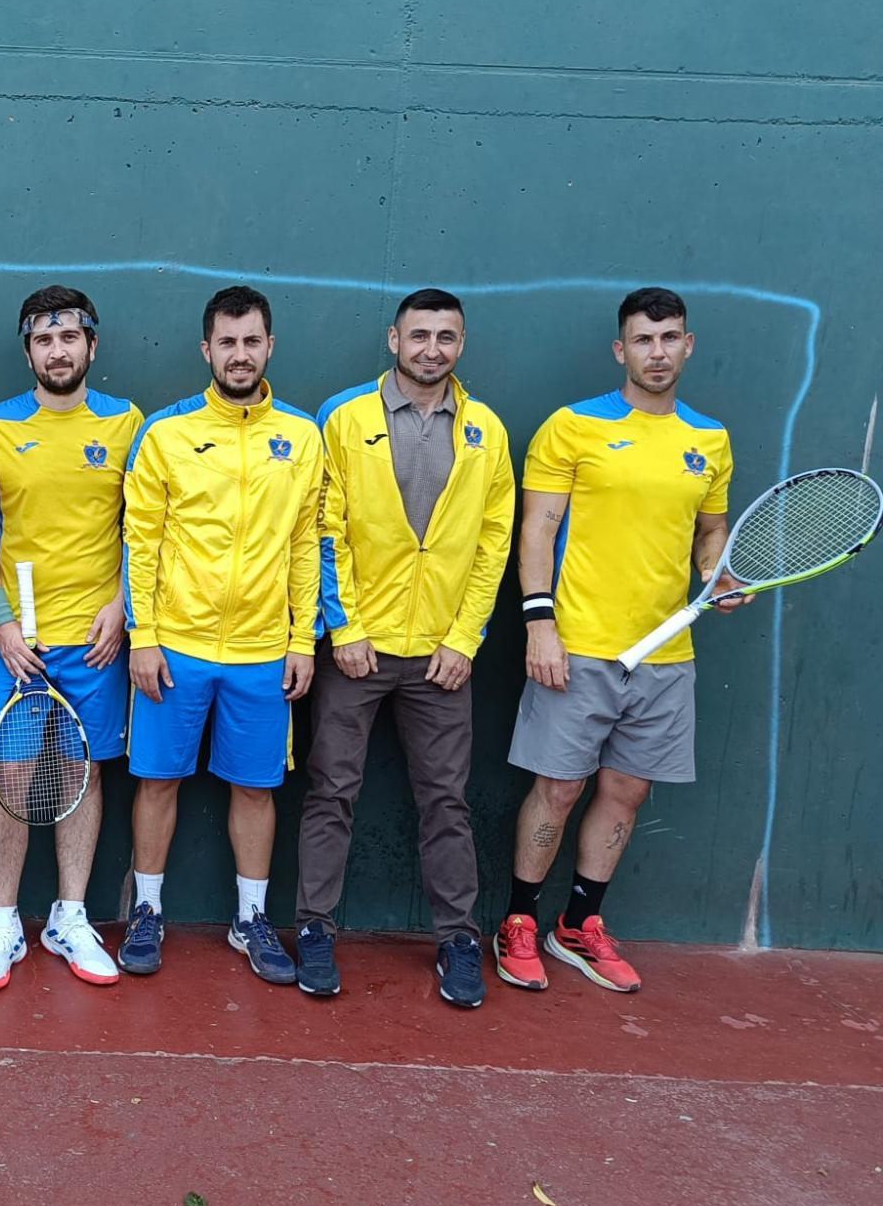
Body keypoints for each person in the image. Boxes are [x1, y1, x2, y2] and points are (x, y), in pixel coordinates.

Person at [497, 287, 739, 995]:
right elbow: (536, 529)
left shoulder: (710, 440)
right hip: (577, 646)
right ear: (620, 349)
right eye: (643, 340)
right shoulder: (572, 427)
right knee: (559, 787)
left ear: (688, 345)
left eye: (669, 339)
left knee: (626, 791)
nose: (656, 353)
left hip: (666, 654)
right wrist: (540, 623)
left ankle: (577, 926)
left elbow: (710, 532)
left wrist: (717, 575)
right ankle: (517, 921)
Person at [299, 289, 514, 1009]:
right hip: (357, 651)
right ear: (394, 340)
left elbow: (493, 544)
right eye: (419, 335)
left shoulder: (485, 430)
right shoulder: (345, 417)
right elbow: (324, 529)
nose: (431, 349)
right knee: (331, 792)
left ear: (461, 344)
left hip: (441, 659)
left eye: (445, 337)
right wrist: (345, 628)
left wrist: (464, 639)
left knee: (447, 802)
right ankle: (315, 927)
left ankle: (458, 938)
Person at [120, 286, 323, 982]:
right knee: (157, 781)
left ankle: (250, 919)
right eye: (228, 342)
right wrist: (144, 635)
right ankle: (147, 910)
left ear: (270, 346)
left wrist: (302, 640)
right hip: (175, 646)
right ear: (206, 349)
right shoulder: (166, 432)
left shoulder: (302, 436)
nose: (240, 355)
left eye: (252, 341)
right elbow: (140, 541)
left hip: (263, 651)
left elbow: (306, 542)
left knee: (256, 789)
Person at [0, 286, 143, 991]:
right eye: (44, 340)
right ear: (29, 351)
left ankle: (69, 917)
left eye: (69, 338)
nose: (58, 351)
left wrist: (122, 605)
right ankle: (3, 923)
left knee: (83, 774)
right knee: (8, 778)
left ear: (92, 345)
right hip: (17, 643)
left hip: (97, 639)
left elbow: (142, 528)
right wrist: (1, 624)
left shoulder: (127, 422)